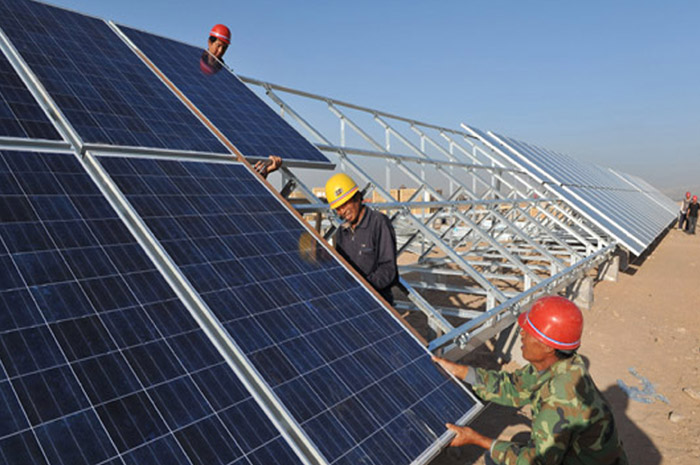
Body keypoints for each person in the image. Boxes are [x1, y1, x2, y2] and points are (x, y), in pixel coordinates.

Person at [434, 295, 629, 465]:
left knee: (497, 457)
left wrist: (477, 439)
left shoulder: (560, 397)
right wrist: (459, 371)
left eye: (529, 331)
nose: (522, 333)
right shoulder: (562, 364)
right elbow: (513, 387)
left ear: (548, 347)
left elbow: (537, 462)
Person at [201, 24, 282, 178]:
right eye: (218, 46)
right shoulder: (191, 63)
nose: (220, 51)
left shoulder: (226, 75)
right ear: (209, 42)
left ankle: (260, 174)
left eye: (224, 48)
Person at [325, 173, 398, 304]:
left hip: (377, 301)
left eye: (345, 204)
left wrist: (364, 287)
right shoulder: (342, 230)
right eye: (338, 209)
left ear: (358, 197)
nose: (342, 211)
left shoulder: (378, 222)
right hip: (352, 300)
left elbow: (388, 268)